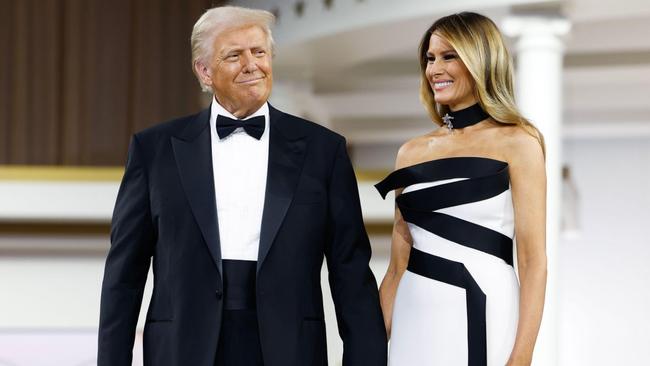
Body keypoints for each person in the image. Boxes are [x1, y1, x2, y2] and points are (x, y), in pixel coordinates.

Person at [98, 6, 386, 366]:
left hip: (290, 349)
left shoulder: (323, 151)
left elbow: (351, 274)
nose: (252, 65)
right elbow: (124, 275)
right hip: (183, 348)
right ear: (204, 71)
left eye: (259, 52)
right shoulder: (153, 150)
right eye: (234, 55)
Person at [375, 12, 547, 366]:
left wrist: (522, 357)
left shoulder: (519, 142)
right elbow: (396, 266)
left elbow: (533, 261)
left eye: (449, 56)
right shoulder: (410, 152)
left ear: (481, 60)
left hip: (485, 305)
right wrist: (369, 346)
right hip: (414, 313)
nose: (435, 69)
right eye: (430, 58)